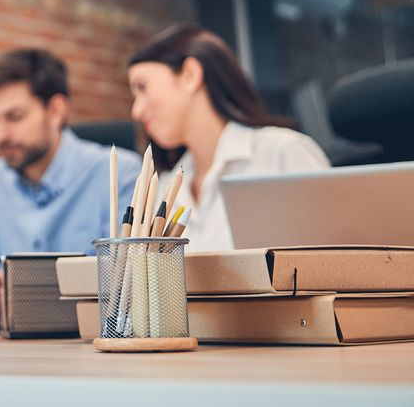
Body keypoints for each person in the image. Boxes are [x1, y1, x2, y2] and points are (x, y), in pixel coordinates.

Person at [0, 49, 138, 318]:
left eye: (14, 117)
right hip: (0, 352)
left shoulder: (119, 173)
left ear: (55, 110)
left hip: (90, 350)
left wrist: (23, 301)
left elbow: (129, 286)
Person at [127, 24, 330, 252]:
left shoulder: (282, 153)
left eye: (142, 88)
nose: (137, 111)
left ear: (190, 75)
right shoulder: (165, 187)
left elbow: (337, 264)